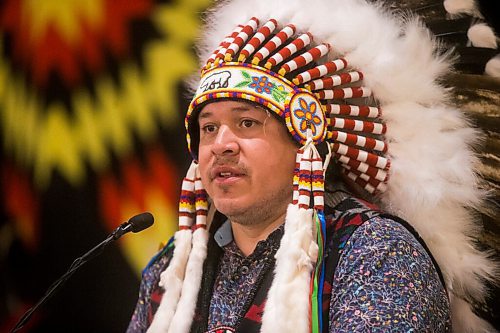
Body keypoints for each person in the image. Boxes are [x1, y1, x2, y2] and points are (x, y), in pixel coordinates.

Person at [127, 0, 498, 332]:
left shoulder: (376, 253)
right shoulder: (172, 271)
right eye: (208, 128)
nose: (221, 145)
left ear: (306, 141)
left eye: (247, 123)